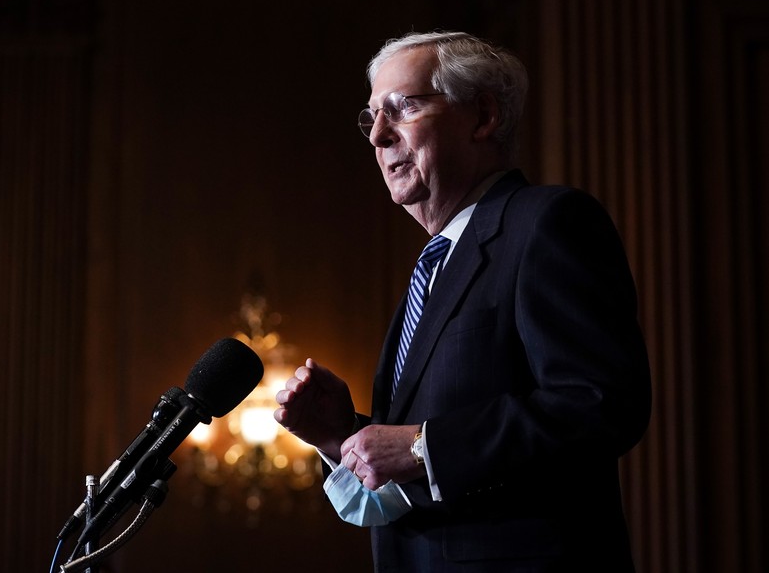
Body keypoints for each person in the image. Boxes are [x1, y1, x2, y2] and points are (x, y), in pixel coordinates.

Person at [274, 30, 651, 572]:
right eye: (372, 116)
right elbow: (423, 461)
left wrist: (424, 447)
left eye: (402, 107)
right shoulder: (435, 265)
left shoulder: (545, 224)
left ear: (483, 117)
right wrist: (344, 435)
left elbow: (601, 404)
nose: (379, 135)